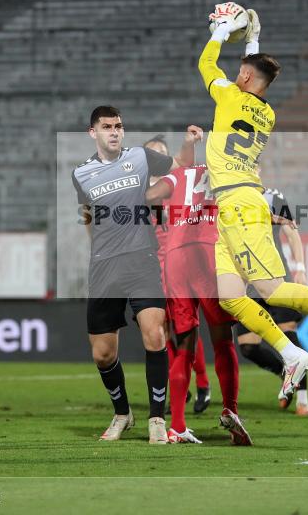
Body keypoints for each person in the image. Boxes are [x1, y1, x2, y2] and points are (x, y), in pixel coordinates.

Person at [199, 3, 308, 419]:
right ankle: (290, 353)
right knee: (229, 299)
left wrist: (222, 31)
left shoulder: (227, 94)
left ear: (242, 77)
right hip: (228, 206)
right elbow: (254, 75)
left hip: (240, 202)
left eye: (241, 71)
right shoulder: (268, 112)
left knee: (272, 291)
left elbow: (206, 62)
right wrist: (252, 41)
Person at [71, 105, 202, 444]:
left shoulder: (142, 158)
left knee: (155, 333)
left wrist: (189, 143)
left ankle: (157, 419)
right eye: (107, 127)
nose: (114, 131)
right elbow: (88, 214)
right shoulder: (81, 174)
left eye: (118, 126)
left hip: (142, 260)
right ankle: (122, 413)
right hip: (104, 267)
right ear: (93, 133)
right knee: (103, 353)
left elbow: (182, 168)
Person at [145, 163, 248, 444]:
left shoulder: (176, 176)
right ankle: (231, 412)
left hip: (176, 260)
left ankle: (177, 426)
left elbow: (149, 195)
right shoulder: (228, 171)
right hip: (208, 252)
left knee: (184, 346)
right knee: (223, 341)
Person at [143, 136, 212, 416]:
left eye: (160, 153)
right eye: (151, 154)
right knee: (165, 331)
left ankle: (203, 383)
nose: (156, 157)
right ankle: (179, 392)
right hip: (153, 267)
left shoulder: (177, 182)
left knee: (185, 329)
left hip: (180, 262)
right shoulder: (143, 191)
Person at [235, 185, 308, 416]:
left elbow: (291, 231)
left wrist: (300, 269)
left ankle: (303, 400)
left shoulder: (272, 196)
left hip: (275, 278)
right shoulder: (229, 197)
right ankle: (284, 373)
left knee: (288, 334)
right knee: (248, 347)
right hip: (248, 284)